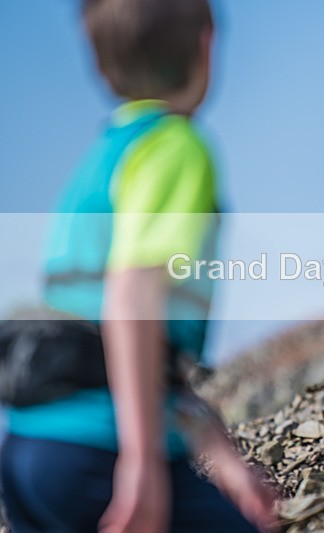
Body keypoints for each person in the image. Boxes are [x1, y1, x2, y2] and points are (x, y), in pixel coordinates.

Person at [0, 0, 276, 531]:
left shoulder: (99, 163)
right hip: (96, 449)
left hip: (29, 448)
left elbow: (119, 343)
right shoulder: (176, 147)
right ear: (208, 44)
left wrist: (224, 462)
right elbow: (133, 298)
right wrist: (143, 464)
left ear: (101, 68)